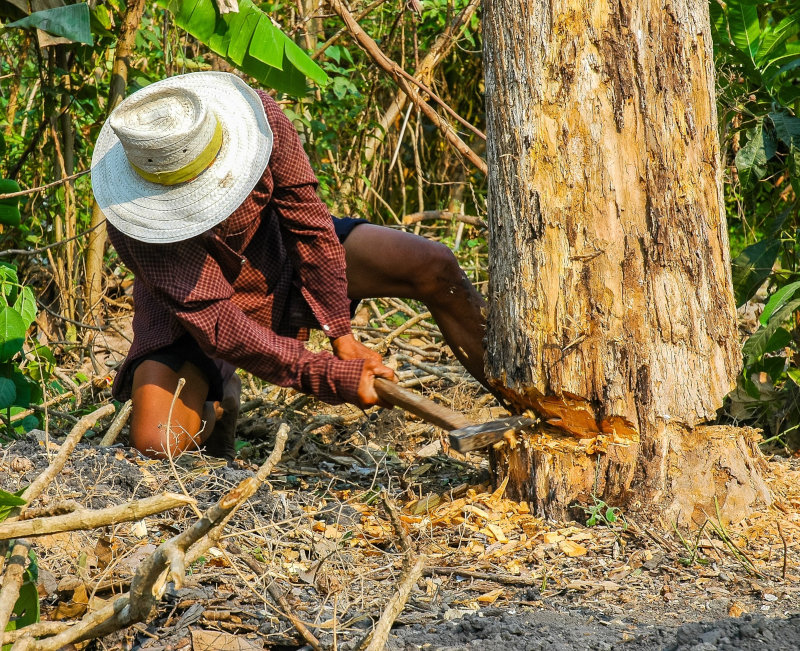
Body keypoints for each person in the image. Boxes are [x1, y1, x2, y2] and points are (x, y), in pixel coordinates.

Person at [91, 71, 489, 459]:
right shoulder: (134, 228)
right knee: (155, 442)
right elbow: (217, 324)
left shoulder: (261, 122)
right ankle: (218, 394)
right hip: (194, 315)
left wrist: (342, 337)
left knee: (433, 265)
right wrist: (330, 376)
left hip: (280, 257)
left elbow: (312, 228)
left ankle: (526, 398)